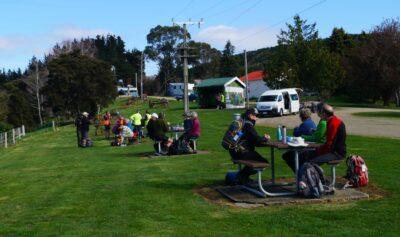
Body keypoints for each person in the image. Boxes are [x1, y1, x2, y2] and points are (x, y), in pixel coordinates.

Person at [283, 104, 346, 172]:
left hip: (336, 153)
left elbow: (329, 144)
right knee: (302, 156)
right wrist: (318, 148)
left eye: (320, 113)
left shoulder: (333, 124)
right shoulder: (333, 121)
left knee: (309, 164)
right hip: (331, 150)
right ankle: (304, 178)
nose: (319, 115)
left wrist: (318, 150)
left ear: (324, 114)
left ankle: (320, 180)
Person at [228, 108, 271, 184]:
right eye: (255, 116)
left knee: (257, 159)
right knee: (263, 162)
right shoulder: (248, 125)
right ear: (250, 115)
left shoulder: (242, 123)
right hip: (242, 152)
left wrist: (260, 139)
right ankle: (241, 177)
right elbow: (257, 140)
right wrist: (265, 138)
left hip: (235, 152)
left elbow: (254, 140)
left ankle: (243, 178)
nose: (256, 118)